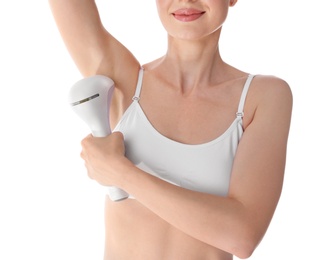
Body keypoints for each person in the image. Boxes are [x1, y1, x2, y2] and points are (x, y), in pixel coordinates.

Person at [49, 0, 292, 259]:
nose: (186, 1)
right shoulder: (125, 83)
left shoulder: (262, 97)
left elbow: (242, 237)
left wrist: (121, 173)